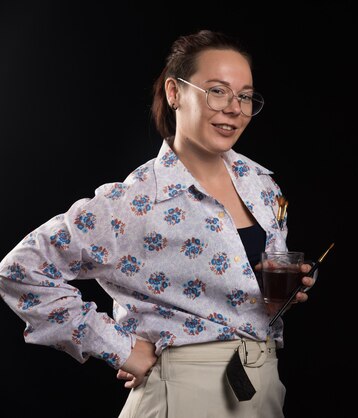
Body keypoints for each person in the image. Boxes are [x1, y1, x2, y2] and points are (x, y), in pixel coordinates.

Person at [0, 29, 315, 418]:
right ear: (174, 93)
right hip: (184, 395)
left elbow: (245, 293)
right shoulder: (136, 200)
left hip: (263, 384)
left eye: (245, 96)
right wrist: (121, 348)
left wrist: (284, 292)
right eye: (217, 90)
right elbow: (20, 269)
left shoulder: (262, 185)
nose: (234, 108)